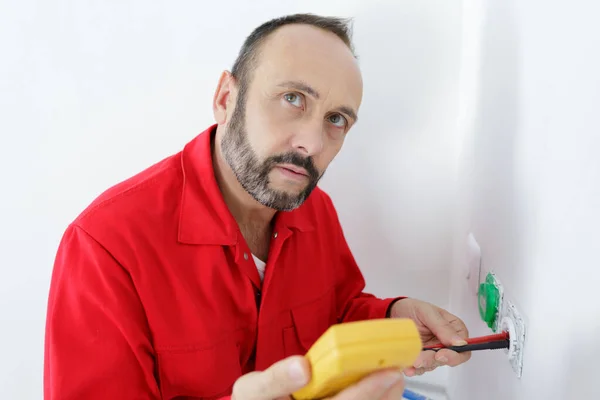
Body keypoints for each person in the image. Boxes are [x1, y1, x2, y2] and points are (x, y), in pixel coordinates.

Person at [44, 13, 471, 400]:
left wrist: (390, 316)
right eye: (293, 98)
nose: (313, 143)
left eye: (336, 119)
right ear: (226, 98)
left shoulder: (315, 210)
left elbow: (336, 316)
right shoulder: (105, 247)